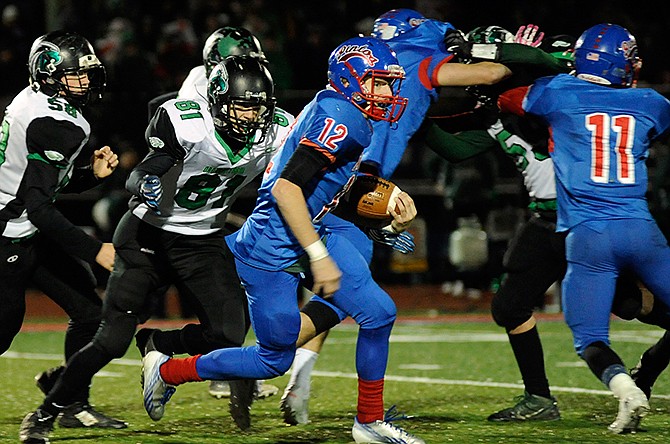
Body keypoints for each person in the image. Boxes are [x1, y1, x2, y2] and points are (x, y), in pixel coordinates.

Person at [279, 8, 570, 426]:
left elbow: (453, 142)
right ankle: (259, 361)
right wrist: (527, 57)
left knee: (337, 286)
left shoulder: (374, 69)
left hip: (337, 176)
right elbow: (487, 75)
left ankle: (294, 378)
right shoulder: (416, 59)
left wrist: (421, 118)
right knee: (349, 294)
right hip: (353, 181)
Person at [140, 35, 426, 444]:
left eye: (388, 83)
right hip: (272, 247)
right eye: (378, 82)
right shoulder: (341, 117)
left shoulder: (341, 108)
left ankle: (368, 422)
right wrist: (318, 256)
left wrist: (381, 217)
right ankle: (167, 371)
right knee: (272, 359)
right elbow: (286, 190)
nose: (386, 93)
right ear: (351, 78)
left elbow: (324, 187)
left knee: (379, 313)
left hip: (311, 227)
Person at [18, 55, 292, 443]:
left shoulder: (278, 130)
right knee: (110, 339)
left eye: (258, 106)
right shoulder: (189, 123)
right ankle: (45, 414)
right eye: (242, 105)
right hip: (149, 236)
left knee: (229, 334)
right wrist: (143, 180)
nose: (251, 116)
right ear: (216, 101)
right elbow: (153, 164)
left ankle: (157, 343)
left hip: (203, 240)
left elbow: (301, 174)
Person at [499, 23, 670, 433]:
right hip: (640, 230)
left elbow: (508, 99)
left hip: (588, 236)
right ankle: (647, 370)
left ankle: (626, 387)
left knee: (590, 337)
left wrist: (532, 62)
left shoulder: (557, 91)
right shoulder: (650, 101)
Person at [0, 30, 125, 437]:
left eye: (87, 73)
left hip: (26, 226)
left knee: (90, 312)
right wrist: (95, 250)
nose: (85, 82)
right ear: (49, 75)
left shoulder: (42, 105)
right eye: (75, 75)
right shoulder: (54, 122)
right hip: (9, 233)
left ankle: (70, 402)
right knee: (3, 329)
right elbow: (38, 204)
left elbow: (42, 186)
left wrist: (89, 174)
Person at [174, 25, 278, 402]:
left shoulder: (251, 100)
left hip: (223, 197)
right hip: (187, 208)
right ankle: (223, 367)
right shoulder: (195, 96)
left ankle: (232, 367)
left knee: (239, 288)